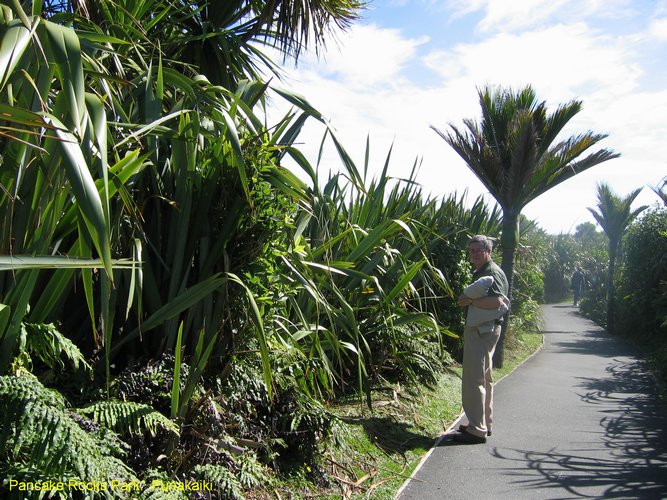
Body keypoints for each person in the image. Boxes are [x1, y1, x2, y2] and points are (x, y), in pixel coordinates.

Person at [453, 235, 509, 444]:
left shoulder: (491, 272)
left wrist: (470, 300)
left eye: (478, 250)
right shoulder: (484, 271)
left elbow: (497, 301)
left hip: (482, 331)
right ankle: (483, 423)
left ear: (488, 251)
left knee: (474, 378)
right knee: (484, 378)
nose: (474, 254)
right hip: (485, 330)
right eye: (471, 250)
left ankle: (477, 429)